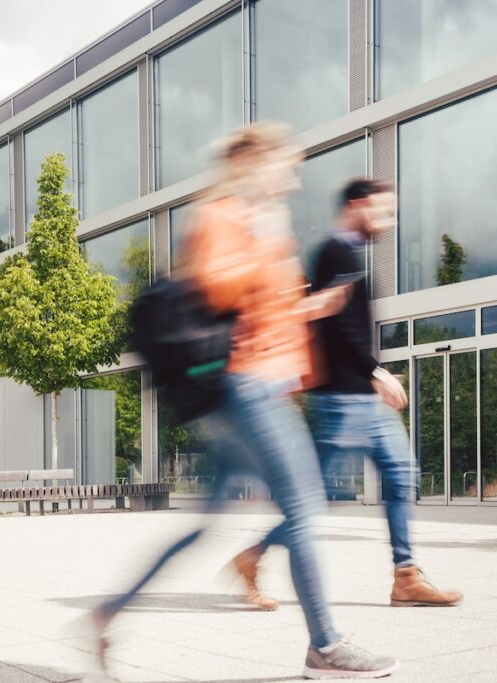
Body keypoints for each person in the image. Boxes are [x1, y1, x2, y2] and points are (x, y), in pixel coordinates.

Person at [93, 126, 399, 680]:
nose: (295, 178)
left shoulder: (249, 220)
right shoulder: (227, 216)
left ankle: (109, 611)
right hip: (247, 386)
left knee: (208, 523)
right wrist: (265, 247)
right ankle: (325, 647)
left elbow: (262, 311)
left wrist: (308, 310)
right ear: (257, 164)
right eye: (288, 166)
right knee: (305, 506)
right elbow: (217, 289)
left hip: (256, 384)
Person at [227, 177, 464, 611]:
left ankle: (406, 575)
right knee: (315, 499)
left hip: (361, 399)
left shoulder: (347, 253)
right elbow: (337, 326)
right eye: (382, 211)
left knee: (401, 476)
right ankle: (252, 555)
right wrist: (375, 370)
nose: (388, 221)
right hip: (341, 400)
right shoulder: (335, 252)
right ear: (357, 204)